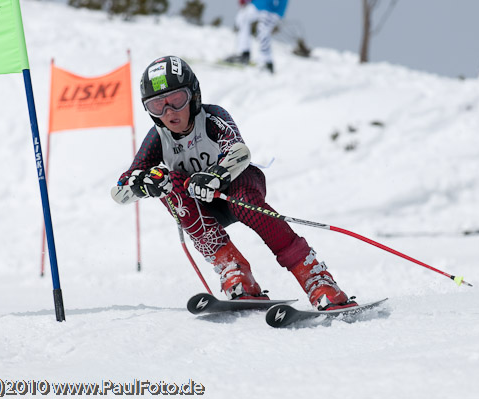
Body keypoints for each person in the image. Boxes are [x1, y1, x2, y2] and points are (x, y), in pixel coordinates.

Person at [114, 56, 356, 311]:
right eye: (156, 106)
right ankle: (235, 271)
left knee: (246, 204)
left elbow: (240, 152)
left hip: (238, 188)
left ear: (193, 95)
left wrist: (215, 176)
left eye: (176, 100)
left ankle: (316, 279)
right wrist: (143, 184)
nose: (169, 112)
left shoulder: (211, 117)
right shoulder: (157, 137)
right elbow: (120, 191)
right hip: (203, 208)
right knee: (169, 185)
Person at [224, 0, 289, 73]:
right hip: (259, 4)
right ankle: (244, 53)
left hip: (272, 7)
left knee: (263, 30)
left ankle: (267, 61)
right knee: (243, 17)